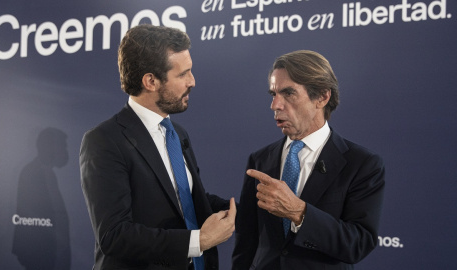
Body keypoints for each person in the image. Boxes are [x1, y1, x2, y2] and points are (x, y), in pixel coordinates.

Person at [80, 24, 236, 270]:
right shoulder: (104, 140)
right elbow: (115, 236)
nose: (192, 82)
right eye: (183, 74)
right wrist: (200, 240)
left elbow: (180, 198)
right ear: (150, 81)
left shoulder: (178, 133)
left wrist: (240, 206)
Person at [232, 50, 385, 269]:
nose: (275, 105)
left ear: (322, 97)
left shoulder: (362, 164)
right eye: (273, 94)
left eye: (288, 94)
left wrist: (298, 212)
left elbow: (358, 243)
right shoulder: (260, 160)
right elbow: (246, 240)